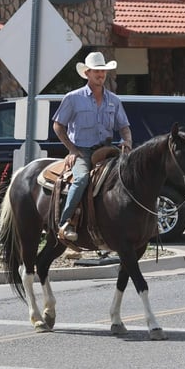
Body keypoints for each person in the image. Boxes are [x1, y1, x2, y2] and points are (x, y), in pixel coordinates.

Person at [52, 51, 132, 242]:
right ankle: (66, 222)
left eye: (103, 71)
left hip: (108, 149)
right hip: (83, 150)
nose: (101, 75)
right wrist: (72, 149)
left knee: (130, 177)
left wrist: (127, 142)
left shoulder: (114, 100)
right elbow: (58, 125)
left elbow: (124, 127)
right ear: (87, 73)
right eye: (96, 71)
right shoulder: (73, 98)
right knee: (81, 180)